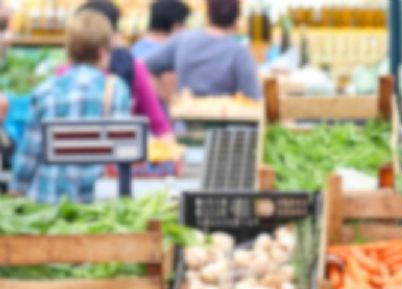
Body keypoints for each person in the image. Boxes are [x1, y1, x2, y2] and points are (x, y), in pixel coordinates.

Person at [10, 10, 131, 203]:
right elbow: (123, 153)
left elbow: (28, 156)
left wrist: (16, 191)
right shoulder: (117, 89)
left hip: (47, 206)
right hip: (96, 207)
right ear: (102, 52)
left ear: (68, 51)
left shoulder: (44, 92)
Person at [75, 1, 173, 138]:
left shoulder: (61, 77)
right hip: (120, 155)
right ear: (112, 35)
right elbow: (160, 126)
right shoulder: (131, 72)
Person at [144, 0, 262, 99]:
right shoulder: (239, 52)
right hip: (224, 121)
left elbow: (144, 67)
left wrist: (167, 102)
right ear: (237, 17)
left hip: (184, 121)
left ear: (208, 12)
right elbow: (253, 97)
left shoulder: (183, 40)